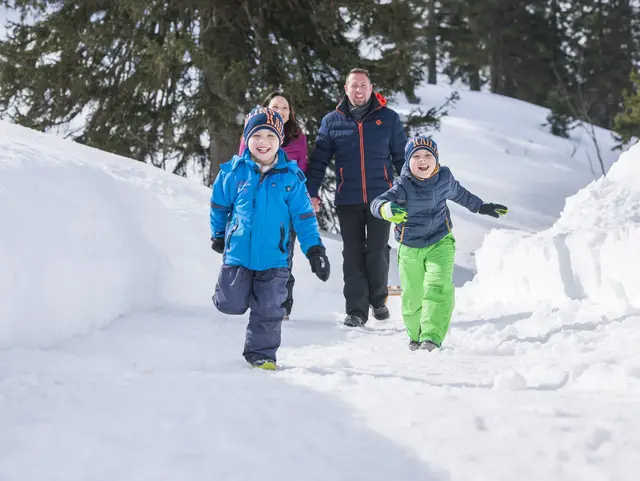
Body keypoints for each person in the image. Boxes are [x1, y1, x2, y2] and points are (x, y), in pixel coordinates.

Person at [210, 107, 330, 370]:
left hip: (275, 257)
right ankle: (249, 296)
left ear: (280, 141)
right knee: (228, 303)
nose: (263, 142)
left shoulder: (291, 177)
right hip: (238, 253)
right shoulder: (233, 172)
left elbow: (304, 217)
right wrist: (218, 234)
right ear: (247, 138)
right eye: (257, 135)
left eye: (270, 136)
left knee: (269, 310)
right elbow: (219, 205)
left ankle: (261, 354)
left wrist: (315, 250)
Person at [370, 136, 508, 351]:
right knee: (413, 296)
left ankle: (431, 338)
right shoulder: (403, 185)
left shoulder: (444, 178)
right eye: (416, 156)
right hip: (410, 247)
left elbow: (461, 195)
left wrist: (482, 207)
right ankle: (415, 336)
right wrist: (386, 209)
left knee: (438, 288)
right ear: (408, 162)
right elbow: (377, 203)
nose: (422, 160)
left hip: (440, 241)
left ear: (436, 159)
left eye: (428, 155)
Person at [306, 68, 407, 327]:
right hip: (347, 199)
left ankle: (377, 299)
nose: (359, 90)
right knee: (352, 253)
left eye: (363, 85)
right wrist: (311, 191)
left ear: (371, 87)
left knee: (377, 251)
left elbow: (401, 159)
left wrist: (410, 191)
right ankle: (356, 311)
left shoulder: (389, 119)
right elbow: (318, 161)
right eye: (354, 86)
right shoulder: (332, 121)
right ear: (346, 88)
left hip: (381, 200)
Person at [238, 92, 307, 320]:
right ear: (266, 108)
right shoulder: (253, 132)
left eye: (285, 107)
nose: (280, 110)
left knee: (284, 255)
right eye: (275, 106)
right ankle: (255, 298)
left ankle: (282, 304)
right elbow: (242, 166)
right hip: (258, 205)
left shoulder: (298, 137)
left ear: (291, 113)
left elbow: (302, 170)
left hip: (287, 206)